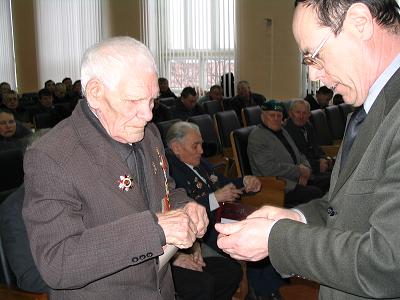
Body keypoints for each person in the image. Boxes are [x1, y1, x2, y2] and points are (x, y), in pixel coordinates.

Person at [216, 1, 400, 299]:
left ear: (359, 23)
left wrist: (277, 239)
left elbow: (388, 264)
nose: (314, 76)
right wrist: (293, 219)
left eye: (314, 55)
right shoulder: (365, 111)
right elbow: (339, 210)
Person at [22, 36, 208, 300]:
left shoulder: (148, 133)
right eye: (134, 100)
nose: (148, 114)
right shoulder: (51, 156)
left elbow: (166, 190)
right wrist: (155, 229)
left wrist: (186, 207)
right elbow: (57, 261)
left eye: (152, 100)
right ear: (96, 93)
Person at [166, 121, 285, 300]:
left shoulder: (199, 163)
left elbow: (222, 182)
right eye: (195, 146)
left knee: (265, 231)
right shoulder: (171, 172)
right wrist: (215, 198)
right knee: (252, 242)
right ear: (176, 148)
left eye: (201, 144)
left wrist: (245, 181)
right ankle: (263, 292)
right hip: (205, 230)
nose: (201, 151)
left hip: (225, 217)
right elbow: (183, 211)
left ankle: (268, 290)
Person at [248, 100, 324, 207]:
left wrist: (306, 169)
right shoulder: (257, 137)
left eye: (279, 116)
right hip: (277, 186)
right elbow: (269, 169)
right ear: (262, 117)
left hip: (297, 178)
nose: (276, 119)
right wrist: (299, 171)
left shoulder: (282, 131)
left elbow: (300, 154)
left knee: (328, 182)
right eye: (272, 115)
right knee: (316, 193)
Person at [284, 99, 332, 176]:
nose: (301, 116)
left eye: (304, 113)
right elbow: (294, 159)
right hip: (303, 172)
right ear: (290, 113)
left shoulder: (308, 126)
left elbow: (316, 147)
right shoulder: (286, 131)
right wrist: (317, 165)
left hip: (317, 165)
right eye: (298, 112)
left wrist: (325, 159)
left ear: (309, 114)